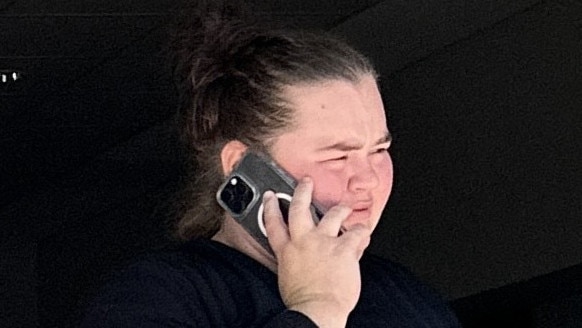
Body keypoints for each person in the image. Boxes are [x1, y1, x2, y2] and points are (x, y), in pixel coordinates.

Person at [82, 3, 461, 327]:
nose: (368, 180)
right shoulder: (162, 295)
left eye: (379, 151)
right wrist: (316, 308)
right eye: (338, 156)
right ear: (242, 164)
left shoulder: (406, 297)